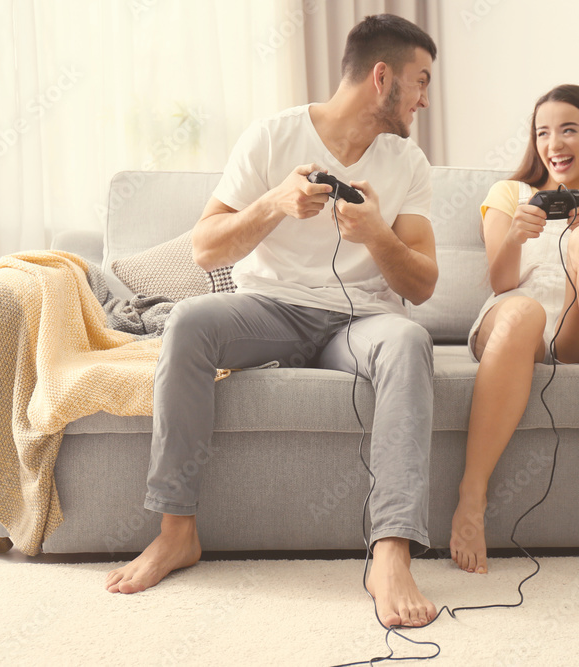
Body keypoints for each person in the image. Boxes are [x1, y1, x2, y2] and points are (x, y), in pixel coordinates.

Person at [105, 14, 440, 628]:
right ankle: (177, 530)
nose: (425, 97)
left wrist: (376, 232)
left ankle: (391, 552)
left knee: (409, 341)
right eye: (420, 81)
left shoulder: (408, 163)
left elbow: (421, 285)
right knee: (189, 322)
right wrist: (273, 204)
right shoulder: (271, 137)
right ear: (382, 76)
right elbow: (207, 248)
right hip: (271, 309)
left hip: (361, 323)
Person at [449, 84, 579, 575]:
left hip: (574, 335)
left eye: (568, 130)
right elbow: (500, 281)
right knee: (524, 312)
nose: (554, 143)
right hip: (511, 321)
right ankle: (472, 493)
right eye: (543, 132)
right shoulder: (509, 194)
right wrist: (515, 234)